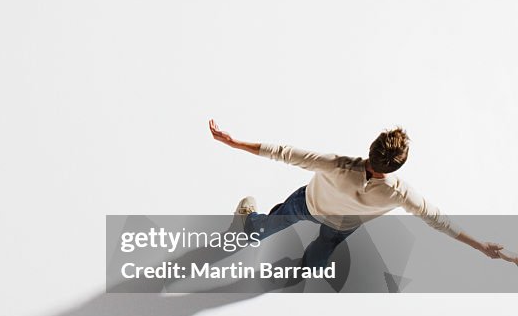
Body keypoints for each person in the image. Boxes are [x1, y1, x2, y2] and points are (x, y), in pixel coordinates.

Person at [208, 119, 515, 267]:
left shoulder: (338, 165)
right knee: (320, 254)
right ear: (397, 166)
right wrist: (480, 245)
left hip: (309, 205)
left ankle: (249, 226)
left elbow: (284, 153)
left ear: (371, 148)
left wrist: (235, 143)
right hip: (341, 225)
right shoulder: (400, 193)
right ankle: (305, 268)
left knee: (270, 224)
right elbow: (438, 220)